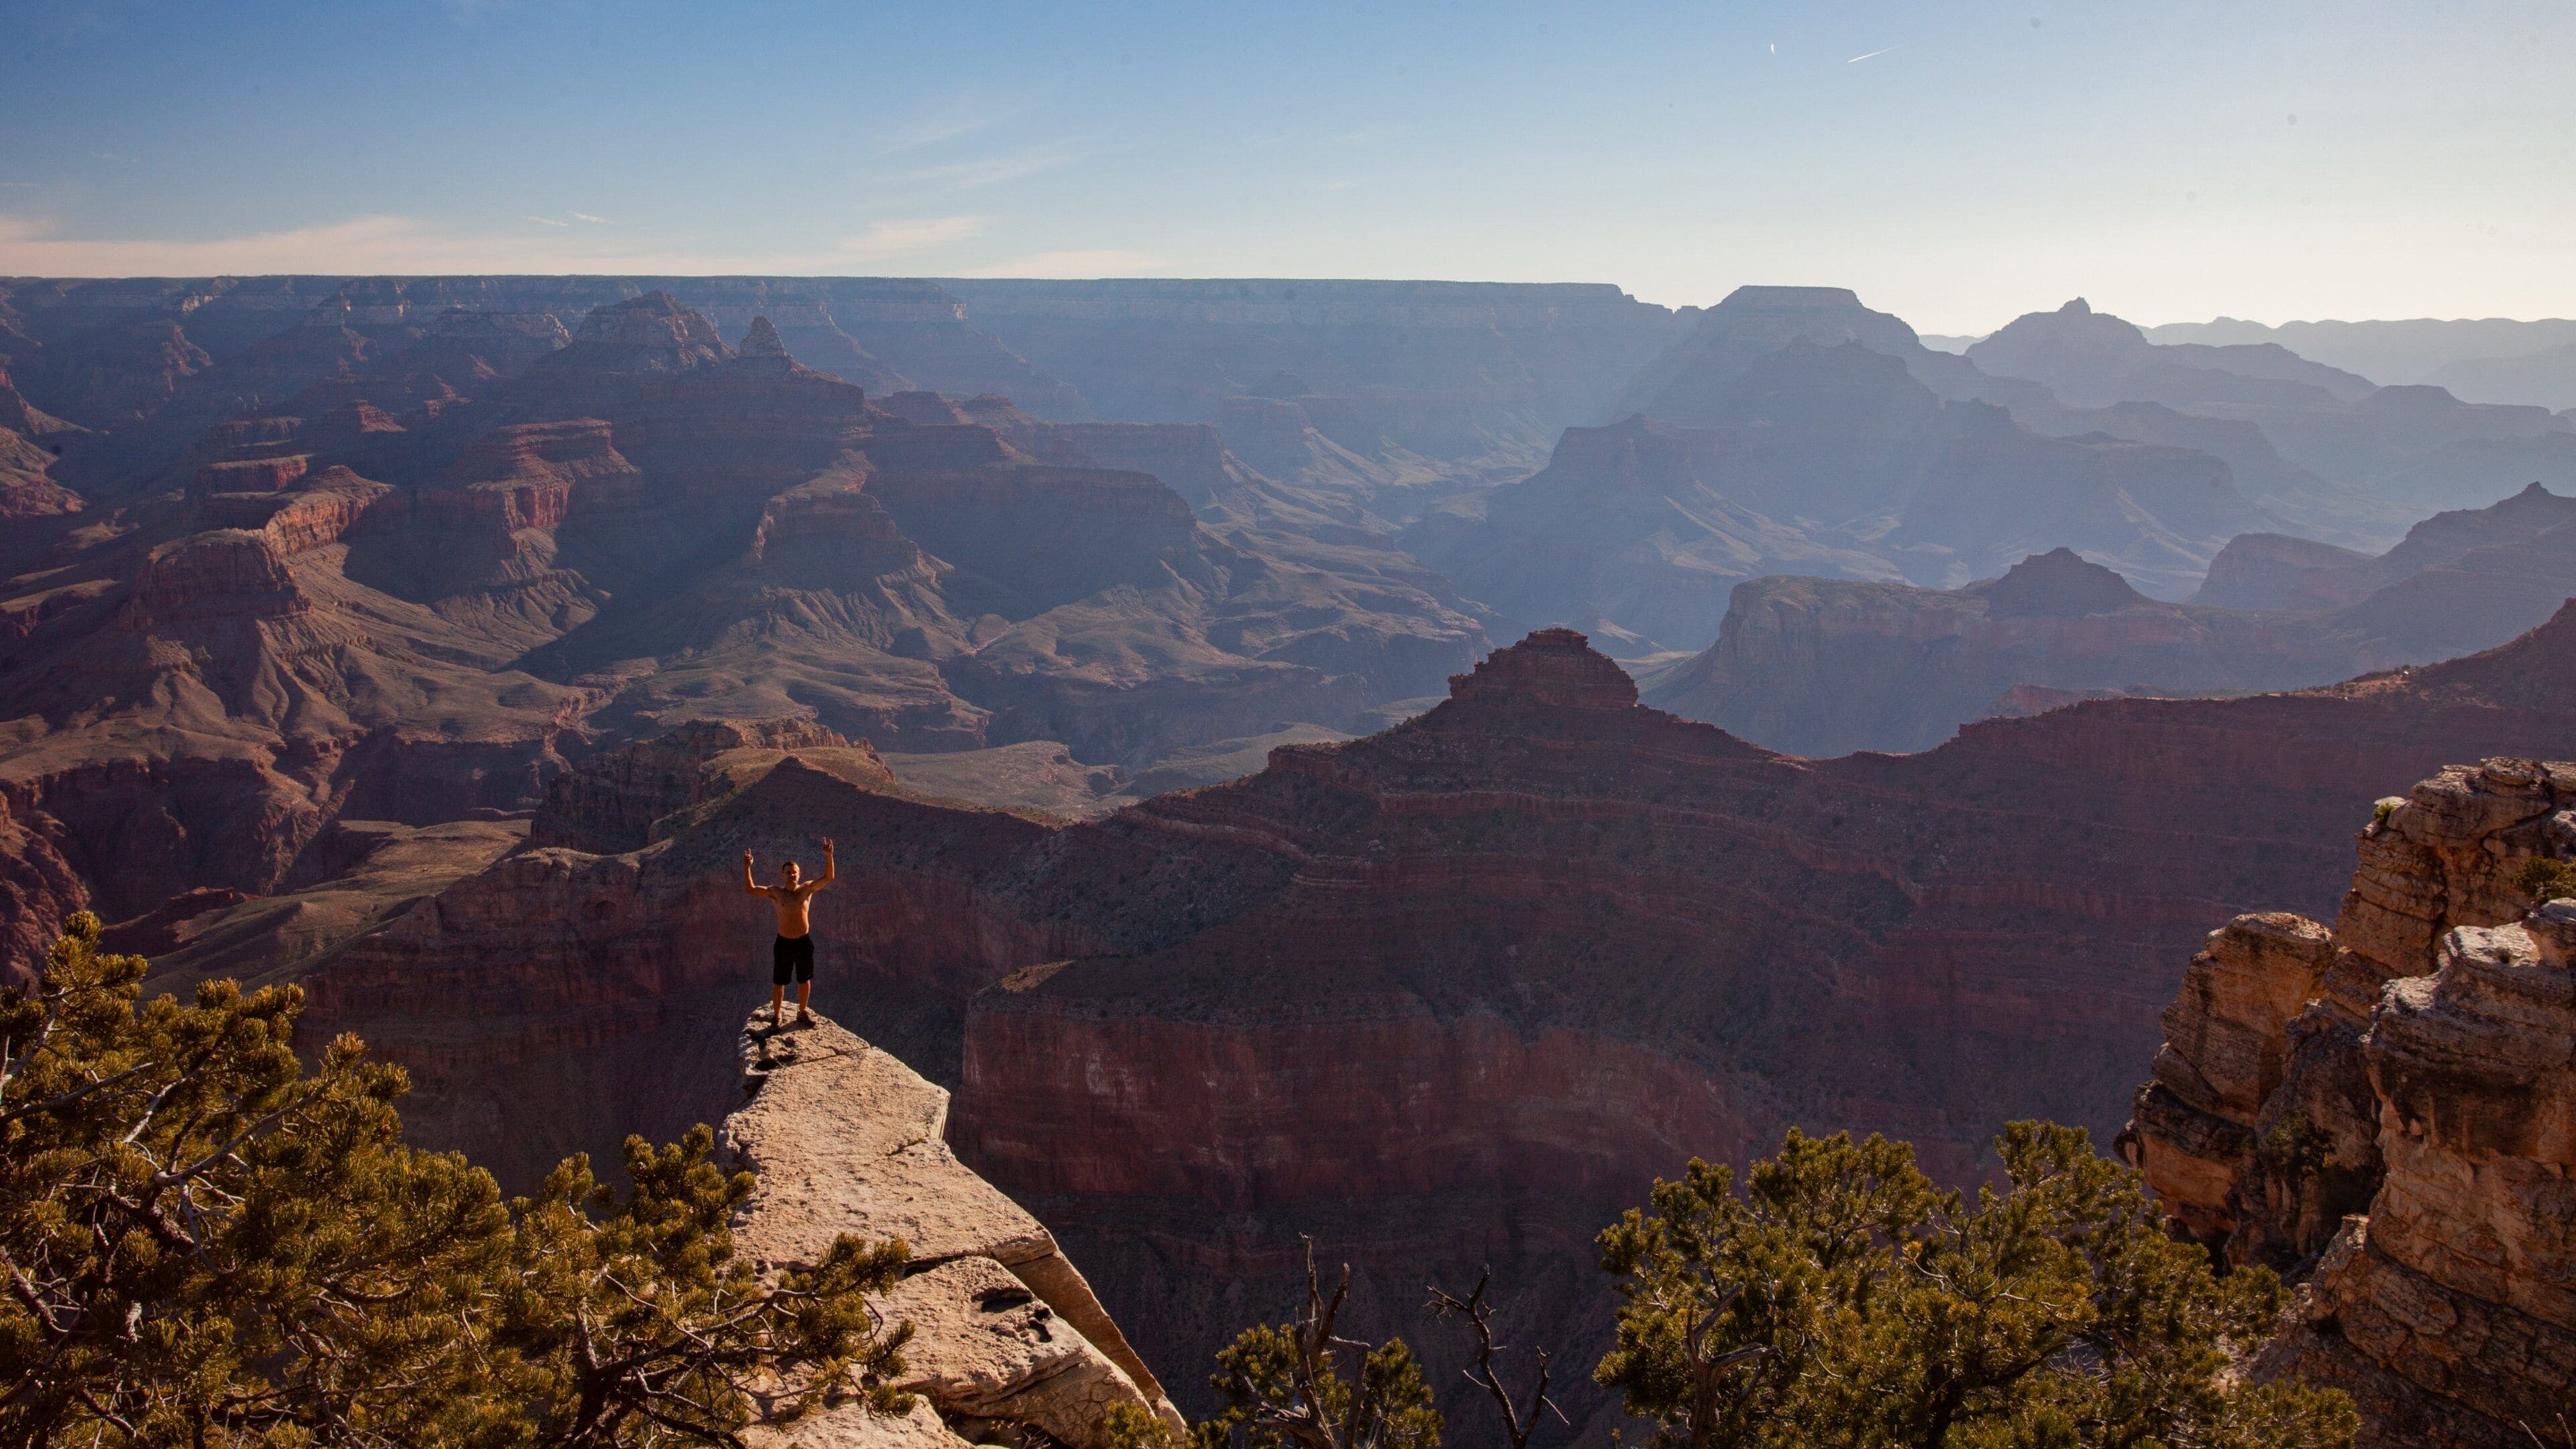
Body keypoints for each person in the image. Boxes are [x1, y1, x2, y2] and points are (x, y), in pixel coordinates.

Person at [743, 839, 834, 1027]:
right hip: (784, 942)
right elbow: (750, 889)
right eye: (788, 873)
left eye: (794, 872)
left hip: (803, 941)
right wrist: (747, 867)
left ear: (799, 874)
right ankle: (777, 1016)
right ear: (782, 874)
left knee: (804, 979)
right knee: (779, 981)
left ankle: (802, 1012)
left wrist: (829, 856)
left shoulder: (807, 889)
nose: (792, 875)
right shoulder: (775, 892)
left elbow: (828, 878)